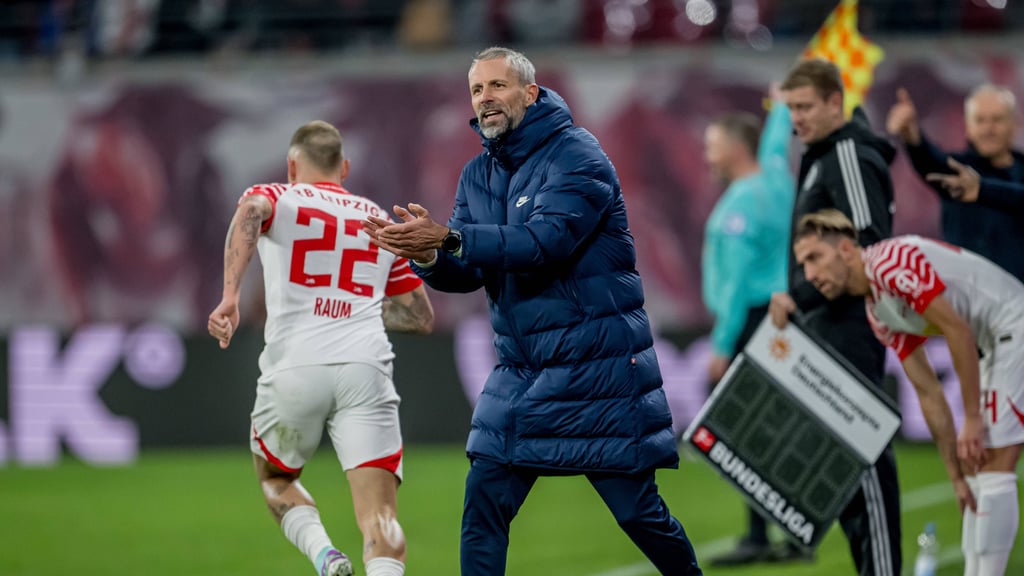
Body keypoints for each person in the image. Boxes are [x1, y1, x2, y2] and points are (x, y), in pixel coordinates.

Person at [363, 46, 702, 576]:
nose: (485, 99)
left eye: (497, 86)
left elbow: (544, 243)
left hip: (597, 372)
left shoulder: (578, 156)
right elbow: (470, 270)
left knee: (639, 514)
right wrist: (427, 253)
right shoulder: (477, 174)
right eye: (476, 90)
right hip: (522, 373)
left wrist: (450, 237)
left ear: (530, 93)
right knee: (483, 505)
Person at [207, 120, 434, 576]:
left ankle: (324, 555)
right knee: (381, 514)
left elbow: (250, 209)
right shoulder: (377, 219)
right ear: (344, 167)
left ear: (292, 165)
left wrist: (230, 295)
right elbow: (420, 317)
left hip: (297, 366)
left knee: (276, 477)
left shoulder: (278, 195)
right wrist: (360, 307)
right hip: (365, 368)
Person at [789, 208, 1023, 576]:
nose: (810, 275)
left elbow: (958, 331)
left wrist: (973, 419)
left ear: (848, 249)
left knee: (994, 470)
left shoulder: (889, 263)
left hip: (1015, 323)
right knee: (979, 476)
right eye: (803, 264)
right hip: (996, 341)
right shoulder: (878, 312)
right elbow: (928, 392)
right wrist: (956, 477)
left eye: (815, 258)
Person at [769, 58, 902, 576]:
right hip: (826, 326)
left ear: (833, 103)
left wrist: (801, 296)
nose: (796, 118)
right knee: (844, 471)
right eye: (790, 108)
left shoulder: (846, 151)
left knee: (861, 461)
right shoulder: (824, 154)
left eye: (804, 107)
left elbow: (868, 245)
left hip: (847, 327)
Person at [700, 94, 802, 565]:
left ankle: (760, 535)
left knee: (746, 432)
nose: (708, 155)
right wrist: (780, 108)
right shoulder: (777, 180)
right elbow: (778, 146)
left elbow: (737, 284)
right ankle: (794, 530)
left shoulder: (741, 203)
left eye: (713, 146)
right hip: (783, 319)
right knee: (776, 425)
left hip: (751, 321)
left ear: (738, 150)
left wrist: (723, 344)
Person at [886, 84, 1024, 282]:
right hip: (966, 300)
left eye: (997, 120)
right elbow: (929, 161)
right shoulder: (956, 171)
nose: (988, 128)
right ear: (967, 127)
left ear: (1015, 124)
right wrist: (912, 136)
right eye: (980, 120)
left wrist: (982, 189)